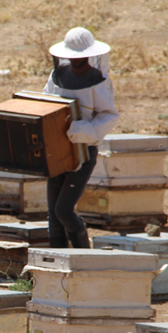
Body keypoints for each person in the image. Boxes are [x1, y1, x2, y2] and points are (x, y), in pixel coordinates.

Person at [43, 27, 120, 248]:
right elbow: (46, 103)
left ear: (89, 55)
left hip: (83, 153)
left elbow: (109, 115)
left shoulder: (99, 81)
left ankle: (84, 256)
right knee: (53, 214)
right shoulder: (57, 76)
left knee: (63, 211)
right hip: (58, 150)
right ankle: (56, 263)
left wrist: (82, 130)